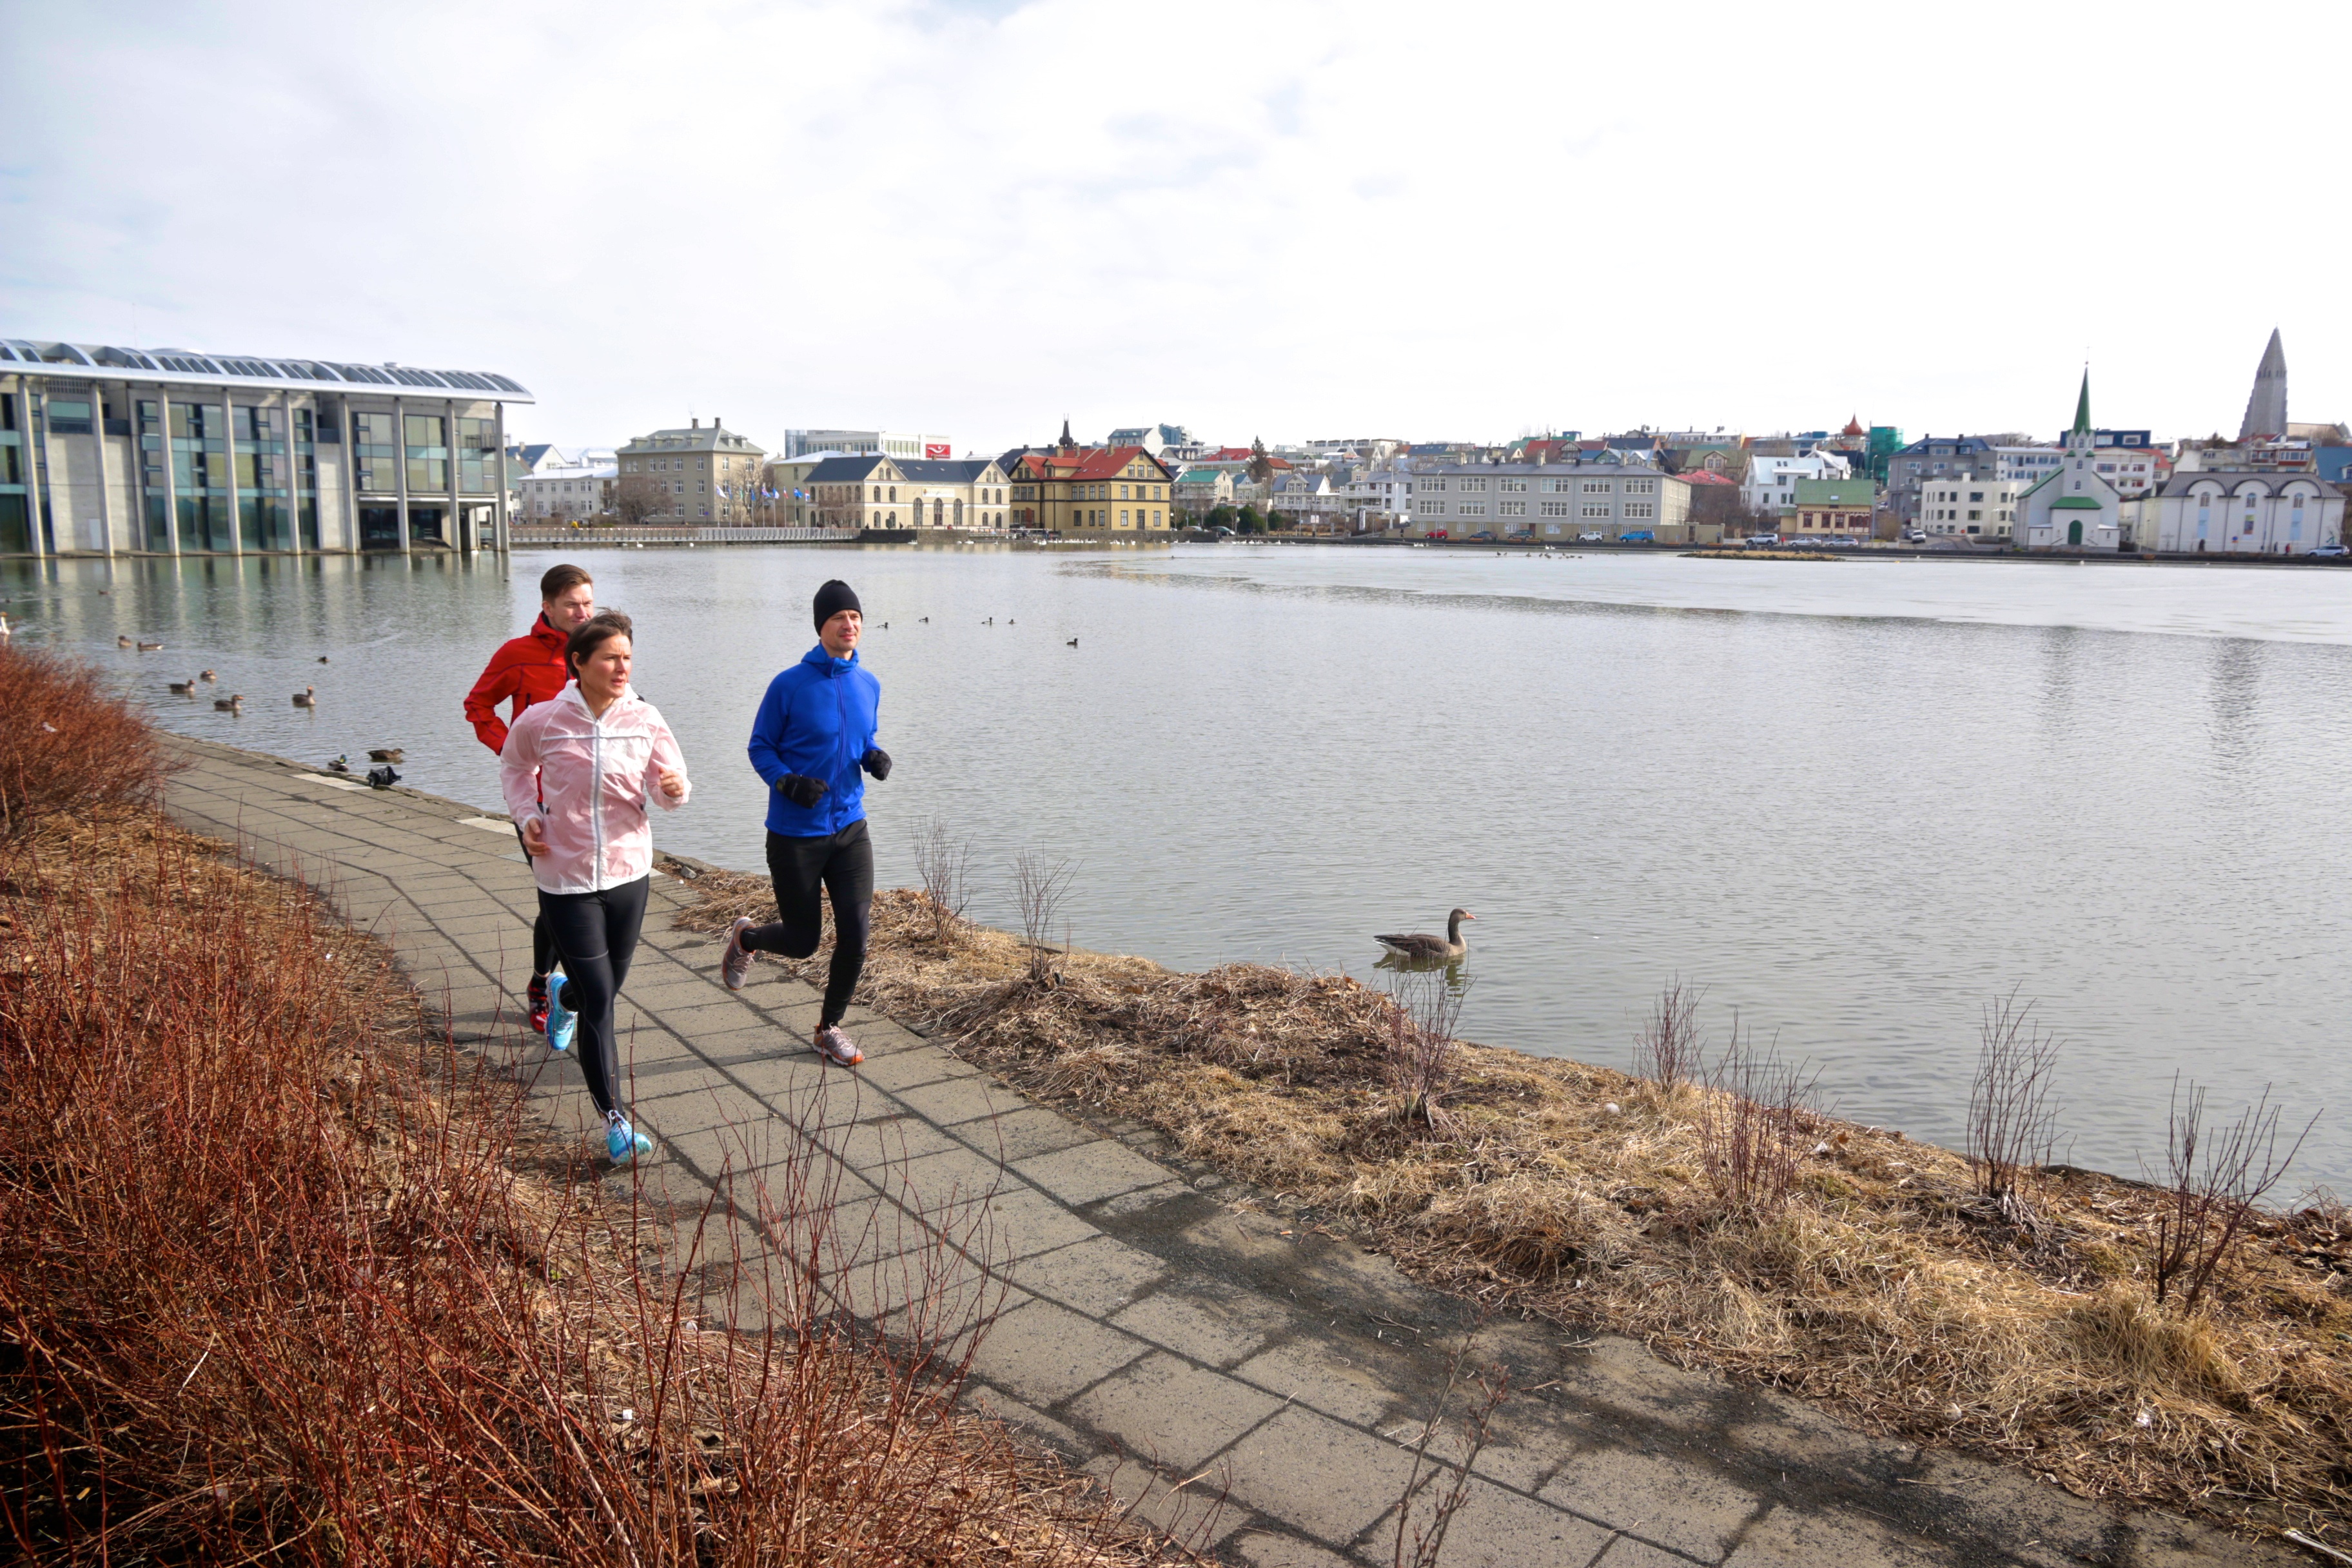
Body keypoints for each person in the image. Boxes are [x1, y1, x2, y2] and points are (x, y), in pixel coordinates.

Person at [500, 611, 690, 1164]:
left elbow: (671, 788)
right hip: (565, 874)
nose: (621, 668)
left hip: (629, 873)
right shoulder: (545, 720)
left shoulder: (646, 719)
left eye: (627, 657)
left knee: (600, 988)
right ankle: (616, 1121)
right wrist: (526, 815)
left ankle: (563, 996)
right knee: (603, 1000)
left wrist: (673, 789)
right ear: (578, 663)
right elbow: (515, 767)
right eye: (610, 657)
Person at [721, 579, 890, 1066]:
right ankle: (746, 939)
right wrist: (786, 782)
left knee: (857, 935)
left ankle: (829, 1028)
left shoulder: (869, 683)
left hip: (850, 829)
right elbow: (760, 747)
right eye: (839, 617)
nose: (849, 624)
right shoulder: (789, 685)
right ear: (821, 627)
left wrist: (873, 756)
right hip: (796, 834)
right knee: (802, 942)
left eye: (855, 617)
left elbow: (861, 738)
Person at [466, 563, 598, 1033]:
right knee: (557, 902)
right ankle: (545, 984)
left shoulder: (601, 650)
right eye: (571, 605)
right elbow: (477, 705)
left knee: (589, 901)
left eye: (588, 603)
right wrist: (511, 751)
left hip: (590, 801)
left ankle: (573, 986)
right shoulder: (517, 654)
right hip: (538, 804)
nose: (582, 613)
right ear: (547, 607)